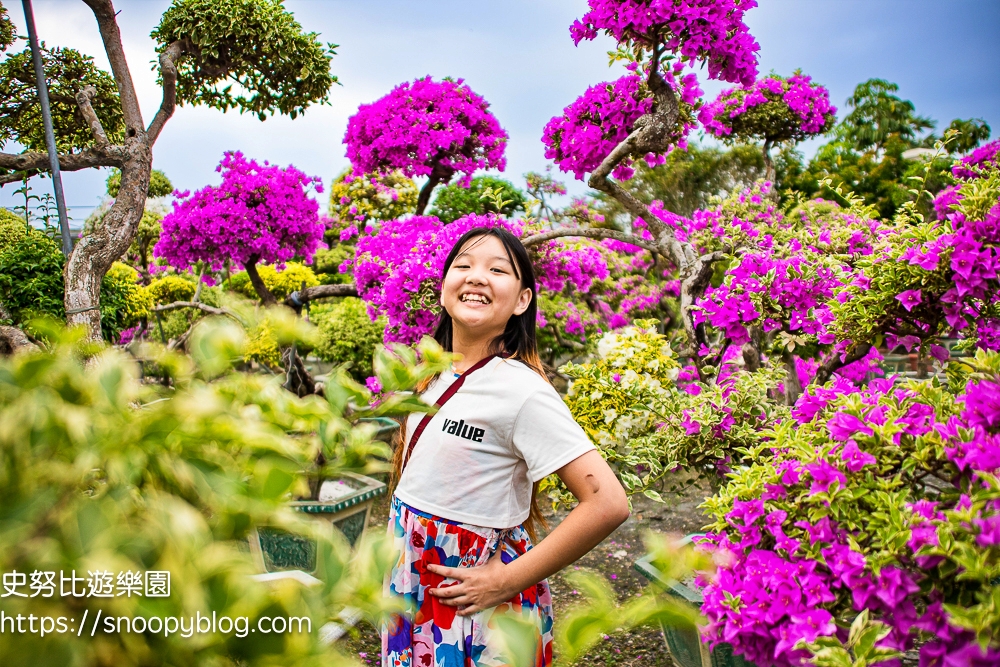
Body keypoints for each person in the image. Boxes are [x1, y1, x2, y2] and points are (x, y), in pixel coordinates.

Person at [382, 226, 630, 667]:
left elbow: (607, 502)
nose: (476, 277)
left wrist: (506, 581)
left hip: (472, 597)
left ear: (522, 301)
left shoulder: (522, 391)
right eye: (463, 265)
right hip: (414, 580)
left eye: (497, 269)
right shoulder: (432, 373)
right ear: (443, 289)